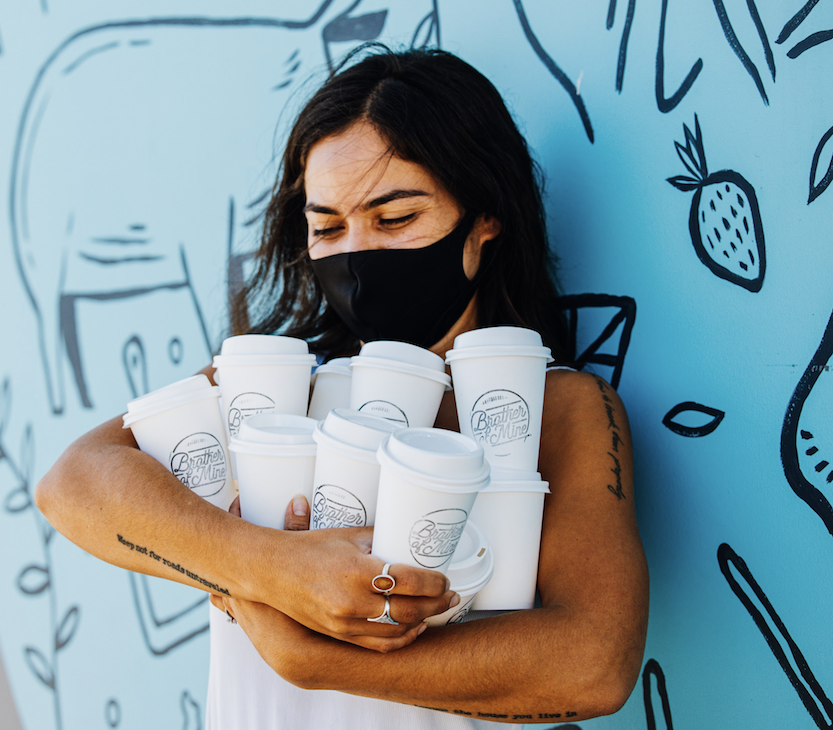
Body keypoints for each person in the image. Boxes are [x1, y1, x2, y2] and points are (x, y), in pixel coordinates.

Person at [35, 47, 648, 728]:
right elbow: (72, 483)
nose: (357, 255)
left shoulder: (557, 409)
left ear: (485, 218)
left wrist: (318, 657)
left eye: (395, 218)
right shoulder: (273, 393)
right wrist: (273, 569)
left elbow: (595, 664)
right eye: (328, 227)